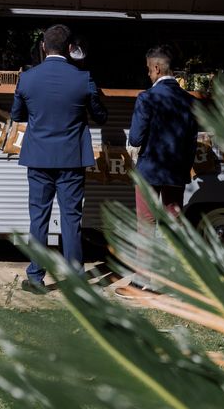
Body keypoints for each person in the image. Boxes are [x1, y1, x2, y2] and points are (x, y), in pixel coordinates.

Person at [11, 24, 107, 294]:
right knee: (71, 219)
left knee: (38, 219)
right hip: (72, 160)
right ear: (69, 49)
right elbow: (101, 116)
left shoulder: (27, 79)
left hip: (39, 158)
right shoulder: (83, 78)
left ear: (43, 47)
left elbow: (17, 115)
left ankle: (35, 278)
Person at [119, 45, 198, 295]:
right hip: (176, 171)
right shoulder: (188, 100)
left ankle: (142, 280)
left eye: (148, 70)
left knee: (146, 224)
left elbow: (135, 137)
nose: (148, 75)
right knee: (174, 224)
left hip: (150, 170)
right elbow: (192, 140)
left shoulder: (148, 98)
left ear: (155, 67)